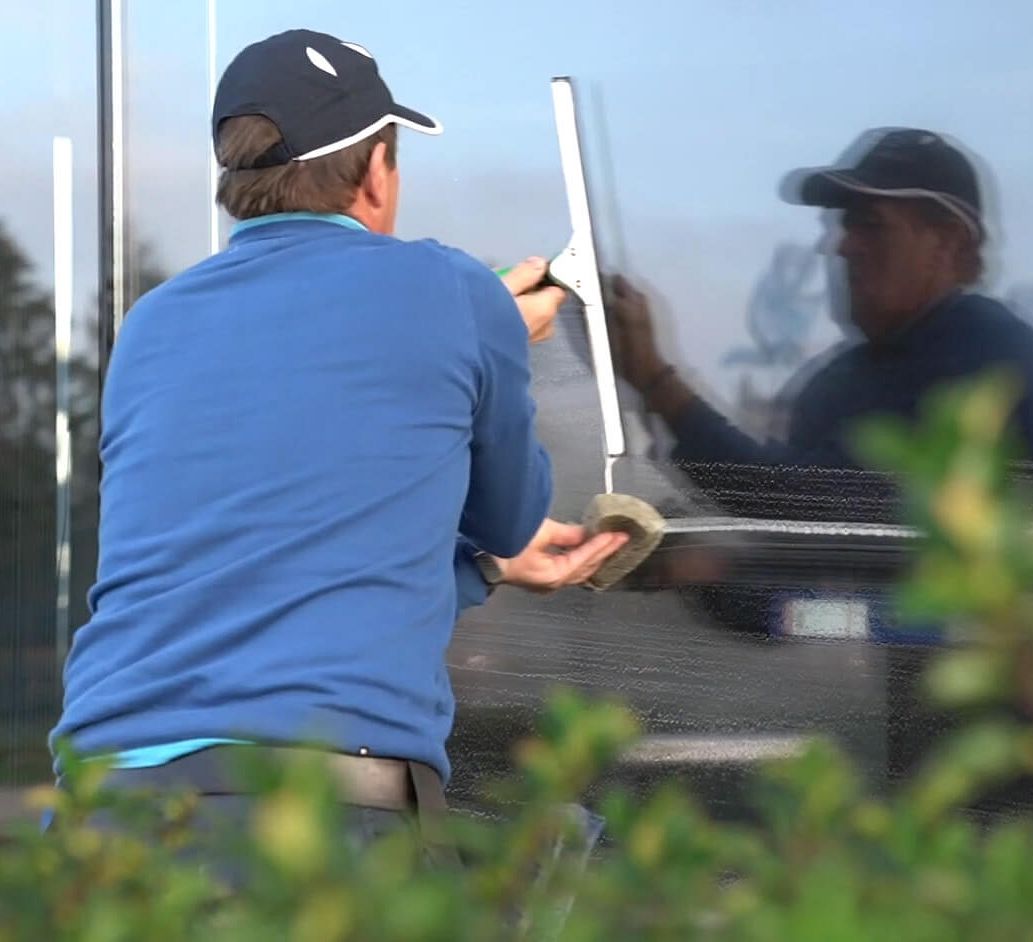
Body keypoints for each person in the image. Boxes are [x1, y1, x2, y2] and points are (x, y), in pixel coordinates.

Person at [48, 29, 626, 854]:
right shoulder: (453, 292)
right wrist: (495, 331)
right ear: (375, 169)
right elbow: (509, 516)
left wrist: (480, 569)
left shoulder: (151, 325)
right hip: (318, 821)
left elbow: (257, 545)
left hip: (107, 808)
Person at [606, 128, 1033, 793]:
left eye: (871, 224)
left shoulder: (984, 355)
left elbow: (819, 513)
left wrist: (657, 381)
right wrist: (699, 568)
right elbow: (818, 595)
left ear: (949, 243)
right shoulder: (839, 388)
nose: (841, 245)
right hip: (926, 753)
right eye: (843, 226)